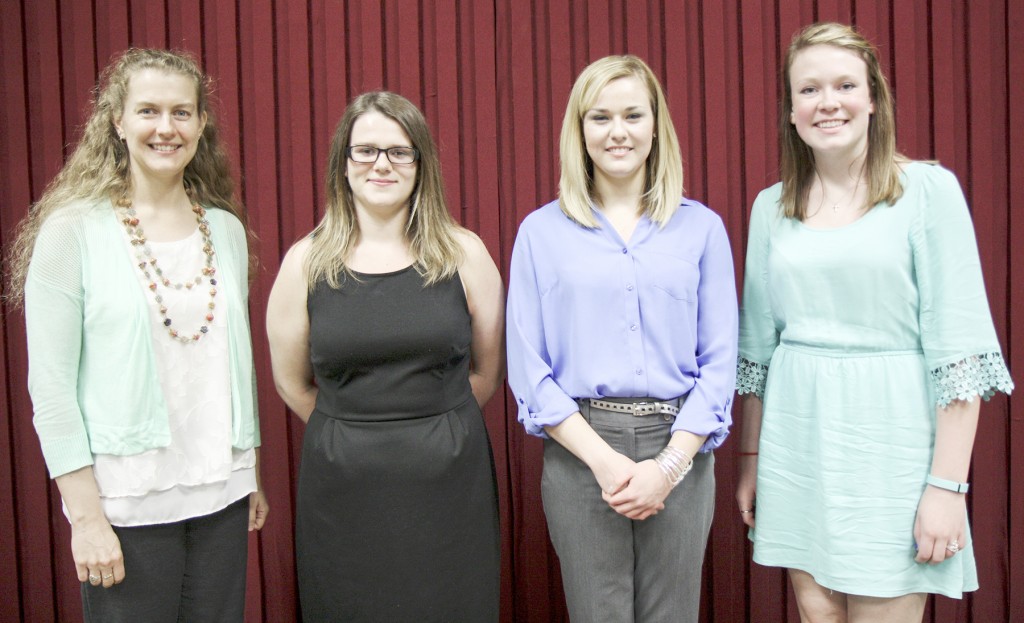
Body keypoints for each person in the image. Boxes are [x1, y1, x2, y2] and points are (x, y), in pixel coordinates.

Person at [735, 22, 1014, 623]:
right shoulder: (769, 207)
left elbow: (960, 357)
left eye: (843, 85)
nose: (827, 102)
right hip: (798, 447)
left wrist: (948, 488)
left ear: (873, 98)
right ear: (790, 109)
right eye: (809, 90)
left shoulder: (927, 192)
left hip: (893, 451)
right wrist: (752, 461)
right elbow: (757, 352)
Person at [6, 48, 267, 622]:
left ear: (201, 124)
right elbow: (49, 390)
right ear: (117, 122)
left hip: (222, 497)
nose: (166, 128)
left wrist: (250, 472)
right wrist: (87, 518)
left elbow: (228, 365)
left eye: (182, 112)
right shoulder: (70, 232)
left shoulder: (223, 229)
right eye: (148, 110)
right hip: (125, 507)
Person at [506, 55, 738, 622]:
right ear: (579, 130)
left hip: (679, 445)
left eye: (633, 114)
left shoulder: (702, 229)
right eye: (600, 117)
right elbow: (527, 367)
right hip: (580, 450)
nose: (618, 132)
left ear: (655, 125)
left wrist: (668, 468)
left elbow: (721, 361)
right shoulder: (540, 233)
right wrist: (606, 463)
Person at [266, 91, 503, 621]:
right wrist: (356, 428)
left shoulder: (466, 254)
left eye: (399, 152)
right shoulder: (305, 263)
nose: (381, 164)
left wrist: (430, 427)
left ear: (421, 165)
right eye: (365, 150)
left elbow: (486, 371)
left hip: (448, 485)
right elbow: (291, 383)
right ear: (342, 163)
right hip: (343, 488)